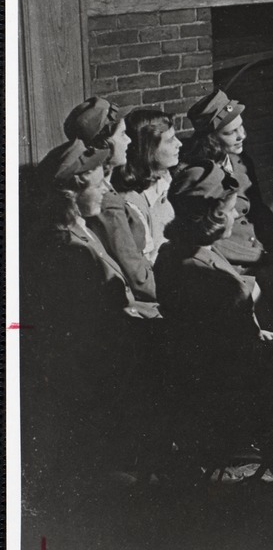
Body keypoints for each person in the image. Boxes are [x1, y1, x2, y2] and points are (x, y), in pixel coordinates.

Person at [154, 161, 273, 468]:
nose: (235, 215)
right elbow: (237, 355)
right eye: (230, 209)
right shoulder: (205, 275)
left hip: (209, 379)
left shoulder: (176, 253)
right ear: (211, 216)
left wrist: (256, 334)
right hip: (236, 391)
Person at [27, 139, 160, 479]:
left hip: (112, 346)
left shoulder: (82, 231)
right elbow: (90, 324)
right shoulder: (65, 248)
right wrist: (141, 315)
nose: (105, 189)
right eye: (99, 182)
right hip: (97, 367)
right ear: (74, 188)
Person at [63, 97, 160, 315]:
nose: (130, 141)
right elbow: (136, 276)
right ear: (104, 145)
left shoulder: (107, 188)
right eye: (123, 135)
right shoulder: (104, 201)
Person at [181, 89, 273, 270]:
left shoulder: (241, 160)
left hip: (261, 252)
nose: (241, 136)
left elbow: (259, 209)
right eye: (230, 132)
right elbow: (207, 238)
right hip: (230, 263)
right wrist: (263, 258)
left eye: (241, 126)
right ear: (211, 138)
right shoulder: (198, 176)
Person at [115, 109, 181, 264]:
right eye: (171, 140)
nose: (180, 144)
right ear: (149, 149)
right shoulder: (132, 204)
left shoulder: (167, 179)